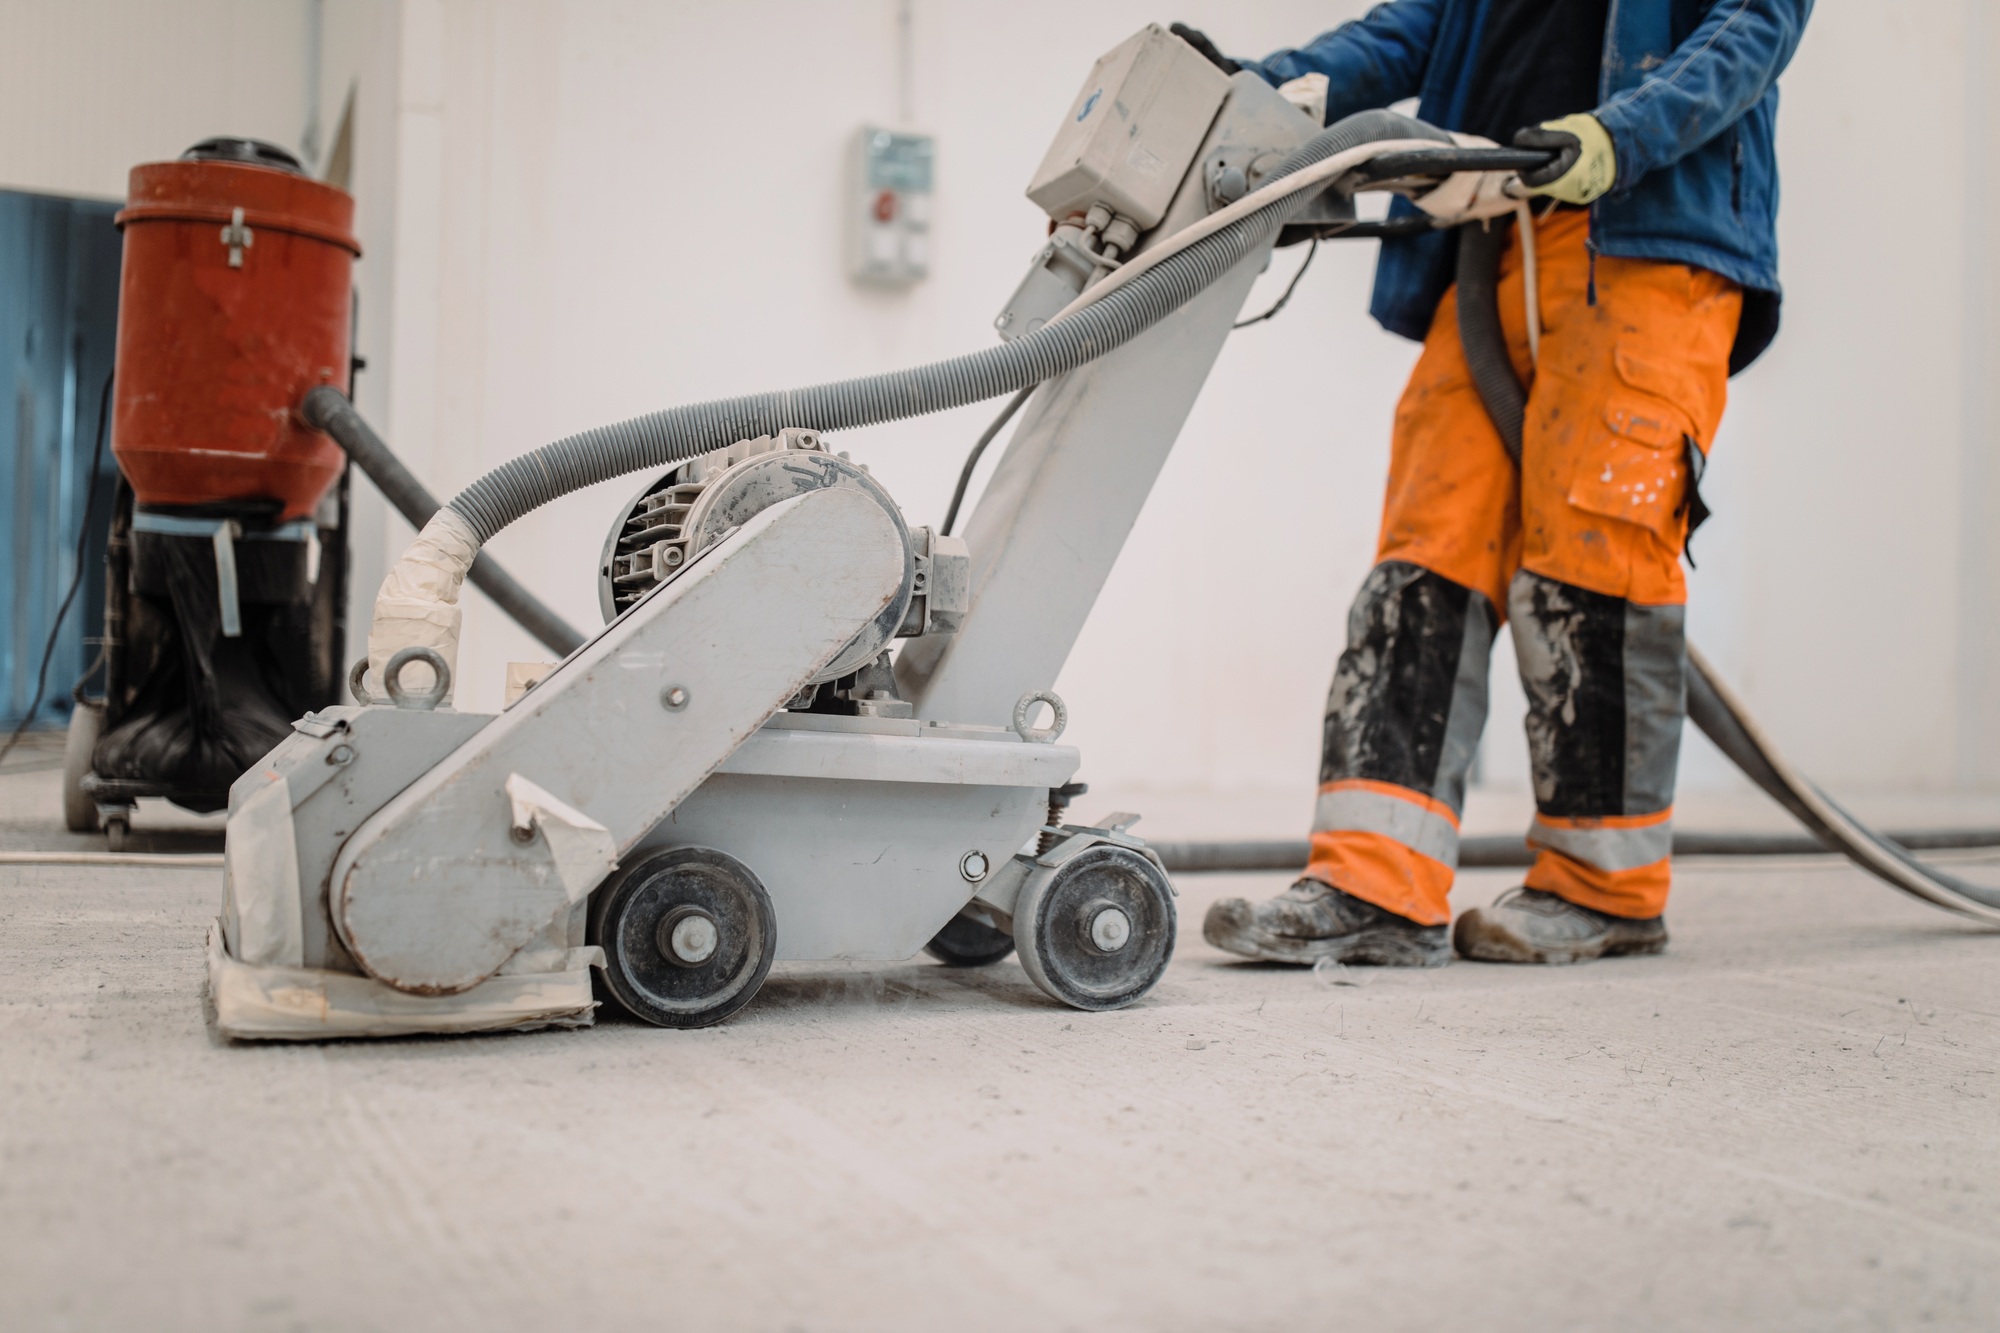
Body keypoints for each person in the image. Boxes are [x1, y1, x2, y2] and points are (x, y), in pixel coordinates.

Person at [1175, 1, 1813, 966]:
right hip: (1494, 245)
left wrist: (1620, 132)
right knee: (1425, 556)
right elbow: (1420, 28)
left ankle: (1606, 888)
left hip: (1644, 241)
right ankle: (1372, 883)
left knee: (1598, 558)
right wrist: (1262, 88)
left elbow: (1753, 29)